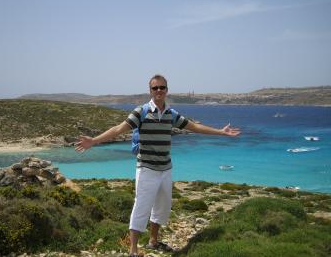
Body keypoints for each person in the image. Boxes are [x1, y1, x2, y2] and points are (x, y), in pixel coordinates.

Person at [75, 74, 240, 257]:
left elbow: (193, 127)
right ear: (150, 91)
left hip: (166, 168)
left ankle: (153, 241)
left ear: (167, 90)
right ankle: (133, 250)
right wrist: (94, 141)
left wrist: (221, 133)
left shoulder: (171, 114)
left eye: (162, 87)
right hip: (146, 169)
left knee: (162, 207)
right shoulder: (141, 111)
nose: (159, 91)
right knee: (141, 207)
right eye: (155, 88)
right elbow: (117, 129)